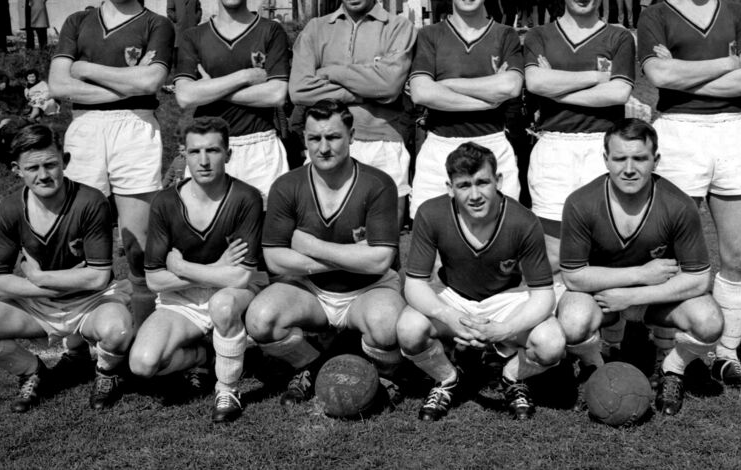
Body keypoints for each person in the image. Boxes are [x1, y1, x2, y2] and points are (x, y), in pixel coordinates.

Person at [637, 0, 741, 389]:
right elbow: (659, 76)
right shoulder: (655, 15)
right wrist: (726, 63)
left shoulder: (739, 13)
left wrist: (686, 74)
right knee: (669, 253)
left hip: (734, 131)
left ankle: (727, 352)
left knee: (740, 255)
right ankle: (666, 351)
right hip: (678, 133)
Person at [48, 0, 175, 326]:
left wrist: (85, 69)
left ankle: (140, 333)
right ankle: (81, 341)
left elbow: (148, 84)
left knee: (136, 244)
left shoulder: (158, 24)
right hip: (85, 128)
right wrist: (123, 82)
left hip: (136, 126)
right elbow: (59, 86)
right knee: (77, 239)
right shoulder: (78, 21)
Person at [558, 119, 723, 415]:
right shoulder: (581, 203)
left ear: (655, 160)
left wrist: (634, 296)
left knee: (709, 321)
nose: (629, 168)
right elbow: (573, 275)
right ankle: (596, 370)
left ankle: (673, 369)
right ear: (606, 159)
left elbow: (698, 279)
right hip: (603, 296)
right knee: (571, 321)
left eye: (639, 158)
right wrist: (638, 276)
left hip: (656, 297)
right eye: (620, 158)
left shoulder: (678, 204)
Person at [245, 100, 404, 407]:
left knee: (386, 325)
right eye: (315, 138)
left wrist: (310, 246)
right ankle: (310, 364)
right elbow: (275, 259)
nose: (324, 147)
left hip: (368, 289)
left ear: (352, 136)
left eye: (333, 137)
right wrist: (352, 256)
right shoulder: (287, 185)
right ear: (304, 139)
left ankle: (384, 374)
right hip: (312, 290)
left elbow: (381, 260)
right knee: (260, 320)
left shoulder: (378, 184)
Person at [398, 142, 564, 421]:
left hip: (506, 297)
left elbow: (543, 295)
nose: (474, 194)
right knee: (408, 328)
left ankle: (511, 377)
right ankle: (447, 378)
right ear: (450, 188)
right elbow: (414, 284)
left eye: (482, 182)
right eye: (464, 185)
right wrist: (448, 316)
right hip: (452, 295)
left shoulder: (523, 221)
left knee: (551, 343)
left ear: (498, 181)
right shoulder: (431, 213)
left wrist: (505, 329)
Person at [0, 125, 134, 412]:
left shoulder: (91, 201)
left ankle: (107, 372)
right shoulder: (10, 209)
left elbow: (98, 277)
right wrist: (44, 285)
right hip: (39, 305)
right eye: (32, 167)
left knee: (118, 330)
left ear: (66, 161)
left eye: (51, 164)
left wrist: (39, 275)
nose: (43, 175)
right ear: (16, 169)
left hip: (91, 302)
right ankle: (31, 370)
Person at [129, 117, 266, 423]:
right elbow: (153, 279)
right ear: (183, 154)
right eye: (195, 152)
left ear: (228, 154)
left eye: (213, 151)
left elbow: (241, 277)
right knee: (142, 363)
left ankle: (227, 388)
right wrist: (215, 267)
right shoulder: (165, 202)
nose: (203, 161)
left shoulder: (247, 198)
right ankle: (203, 356)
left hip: (232, 294)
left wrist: (181, 266)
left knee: (224, 304)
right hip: (182, 299)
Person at [290, 0, 416, 228]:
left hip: (383, 143)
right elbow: (299, 90)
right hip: (326, 141)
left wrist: (331, 72)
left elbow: (390, 86)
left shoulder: (398, 27)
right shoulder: (316, 29)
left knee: (382, 246)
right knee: (322, 236)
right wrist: (366, 86)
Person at [524, 0, 634, 273]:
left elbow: (618, 92)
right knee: (554, 256)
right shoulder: (539, 35)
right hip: (553, 145)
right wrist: (596, 77)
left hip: (603, 146)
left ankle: (610, 324)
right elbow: (534, 81)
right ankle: (560, 323)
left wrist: (556, 87)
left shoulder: (619, 36)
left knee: (608, 251)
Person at [409, 0, 523, 219]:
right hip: (441, 144)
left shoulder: (505, 35)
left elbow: (510, 87)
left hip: (493, 142)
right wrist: (490, 98)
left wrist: (447, 84)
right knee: (432, 244)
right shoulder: (430, 35)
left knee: (498, 240)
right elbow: (421, 92)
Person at [174, 0, 289, 206]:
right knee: (211, 236)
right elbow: (184, 96)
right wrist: (246, 76)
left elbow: (277, 94)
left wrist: (210, 89)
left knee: (264, 236)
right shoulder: (194, 36)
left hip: (261, 147)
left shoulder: (271, 31)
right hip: (209, 147)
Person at [166, 0, 202, 67]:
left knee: (191, 47)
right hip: (179, 27)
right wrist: (177, 19)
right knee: (177, 47)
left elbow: (199, 9)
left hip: (191, 26)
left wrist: (196, 19)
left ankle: (192, 66)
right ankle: (176, 67)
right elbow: (169, 10)